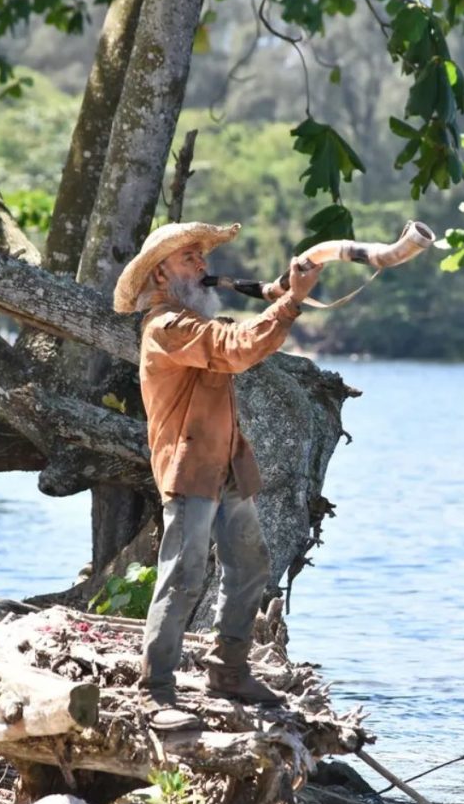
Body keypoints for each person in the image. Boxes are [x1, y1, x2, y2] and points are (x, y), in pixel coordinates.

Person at [113, 220, 321, 721]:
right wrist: (291, 302)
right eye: (189, 259)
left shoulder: (193, 324)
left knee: (249, 566)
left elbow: (235, 338)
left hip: (224, 464)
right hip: (189, 470)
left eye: (202, 258)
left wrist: (283, 295)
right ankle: (156, 689)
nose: (203, 265)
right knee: (183, 575)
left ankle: (228, 669)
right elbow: (238, 348)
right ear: (160, 274)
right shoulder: (167, 328)